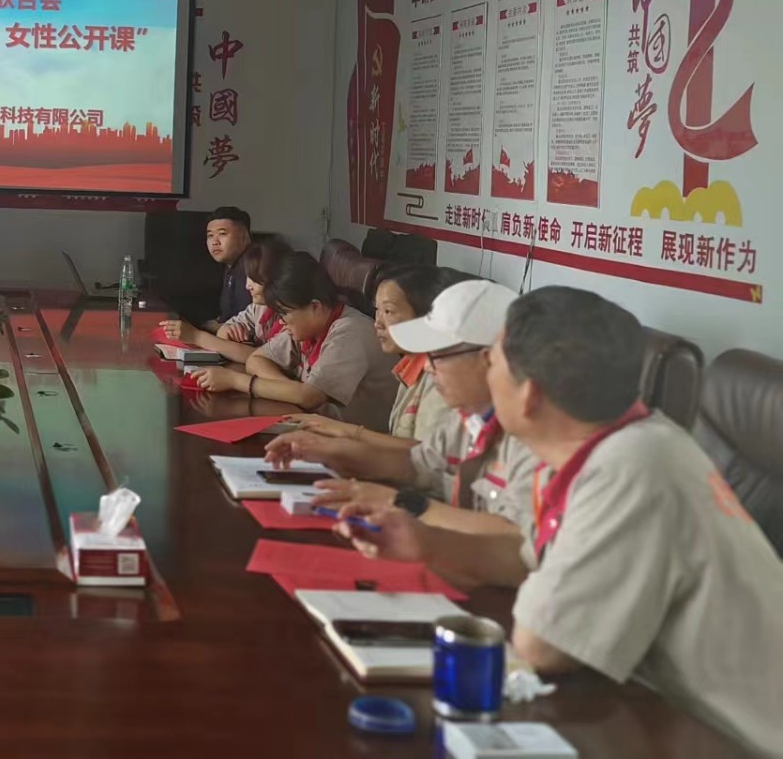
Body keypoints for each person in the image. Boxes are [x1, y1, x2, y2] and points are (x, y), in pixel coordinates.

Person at [334, 287, 783, 756]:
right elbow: (527, 558)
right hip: (653, 711)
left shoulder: (632, 466)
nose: (486, 369)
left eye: (493, 361)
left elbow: (542, 645)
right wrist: (427, 542)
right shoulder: (600, 450)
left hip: (731, 738)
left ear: (529, 394)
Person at [266, 279, 536, 537]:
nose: (428, 367)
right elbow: (418, 464)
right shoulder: (470, 418)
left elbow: (517, 540)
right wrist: (329, 450)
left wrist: (402, 503)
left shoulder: (532, 443)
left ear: (490, 359)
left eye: (439, 356)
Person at [190, 252, 396, 431]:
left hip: (362, 445)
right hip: (322, 429)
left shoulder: (350, 332)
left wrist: (235, 381)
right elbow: (256, 359)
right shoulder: (308, 327)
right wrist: (290, 390)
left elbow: (309, 397)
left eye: (285, 314)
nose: (281, 322)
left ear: (315, 307)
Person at [283, 265, 469, 445]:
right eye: (377, 310)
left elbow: (421, 455)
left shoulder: (442, 381)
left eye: (388, 311)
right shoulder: (410, 366)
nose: (377, 323)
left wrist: (347, 433)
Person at [162, 238, 289, 357]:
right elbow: (223, 332)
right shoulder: (258, 308)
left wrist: (197, 337)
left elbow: (262, 359)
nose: (247, 286)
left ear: (278, 278)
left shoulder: (292, 321)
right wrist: (228, 330)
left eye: (255, 279)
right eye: (248, 278)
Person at [204, 207, 254, 330]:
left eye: (222, 234)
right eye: (210, 235)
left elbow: (252, 324)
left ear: (244, 236)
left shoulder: (254, 267)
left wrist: (220, 327)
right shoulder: (230, 266)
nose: (214, 242)